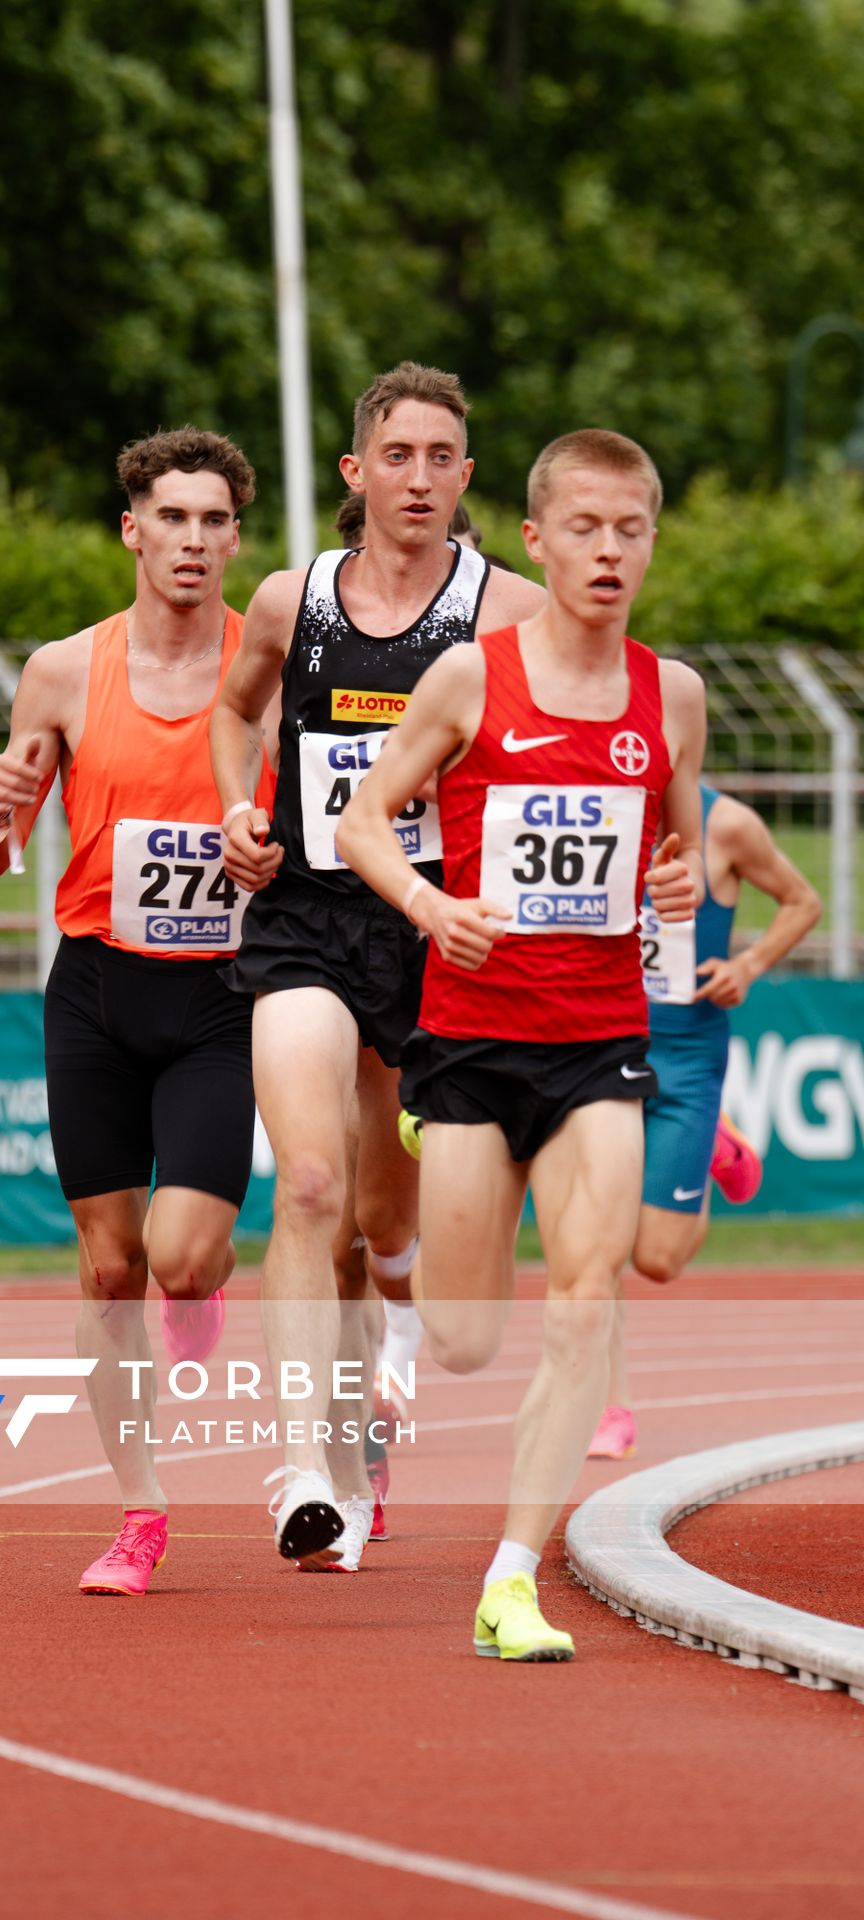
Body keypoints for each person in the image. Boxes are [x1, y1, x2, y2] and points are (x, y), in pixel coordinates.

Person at [337, 427, 707, 1658]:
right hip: (468, 1039)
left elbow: (680, 838)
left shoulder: (673, 695)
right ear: (536, 541)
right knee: (460, 1338)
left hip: (597, 1041)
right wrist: (430, 905)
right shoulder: (465, 679)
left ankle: (510, 1582)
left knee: (580, 1304)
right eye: (584, 530)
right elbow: (360, 825)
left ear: (651, 540)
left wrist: (675, 874)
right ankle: (417, 1147)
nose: (608, 552)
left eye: (630, 530)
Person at [211, 362, 546, 1573]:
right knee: (305, 1186)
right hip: (303, 917)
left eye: (438, 458)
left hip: (432, 933)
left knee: (382, 1214)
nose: (417, 478)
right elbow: (231, 707)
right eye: (393, 456)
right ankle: (303, 1467)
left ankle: (395, 1319)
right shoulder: (287, 601)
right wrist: (232, 811)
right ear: (356, 474)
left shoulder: (503, 611)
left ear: (465, 477)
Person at [0, 426, 265, 1598]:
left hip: (222, 998)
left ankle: (200, 1297)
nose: (191, 541)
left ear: (235, 539)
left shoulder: (270, 665)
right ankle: (140, 1513)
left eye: (214, 521)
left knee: (182, 1263)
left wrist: (266, 857)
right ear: (131, 530)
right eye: (172, 518)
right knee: (107, 1271)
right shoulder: (60, 670)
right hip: (94, 986)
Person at [588, 789, 822, 1457]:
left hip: (686, 1058)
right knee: (595, 1240)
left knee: (657, 1260)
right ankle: (612, 1406)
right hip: (598, 1049)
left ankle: (713, 1147)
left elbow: (803, 901)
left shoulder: (727, 824)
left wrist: (748, 963)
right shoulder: (582, 798)